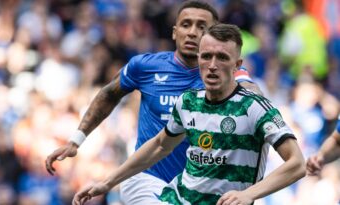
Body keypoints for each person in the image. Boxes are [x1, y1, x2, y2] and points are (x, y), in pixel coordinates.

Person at [46, 1, 259, 204]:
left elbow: (253, 97)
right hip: (145, 177)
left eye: (202, 27)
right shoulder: (145, 66)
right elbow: (109, 94)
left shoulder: (225, 75)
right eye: (186, 25)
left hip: (196, 186)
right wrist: (76, 140)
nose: (193, 32)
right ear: (175, 32)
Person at [72, 23, 306, 205]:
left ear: (237, 65)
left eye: (222, 57)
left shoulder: (255, 107)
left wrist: (248, 195)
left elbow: (297, 164)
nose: (212, 65)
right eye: (206, 56)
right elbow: (159, 146)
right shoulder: (188, 102)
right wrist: (107, 182)